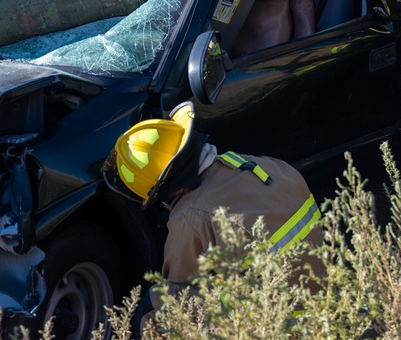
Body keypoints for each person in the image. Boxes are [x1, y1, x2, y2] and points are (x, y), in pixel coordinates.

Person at [105, 101, 323, 334]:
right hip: (325, 298)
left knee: (156, 303)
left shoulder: (189, 218)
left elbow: (178, 290)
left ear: (163, 189)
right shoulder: (263, 165)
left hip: (281, 323)